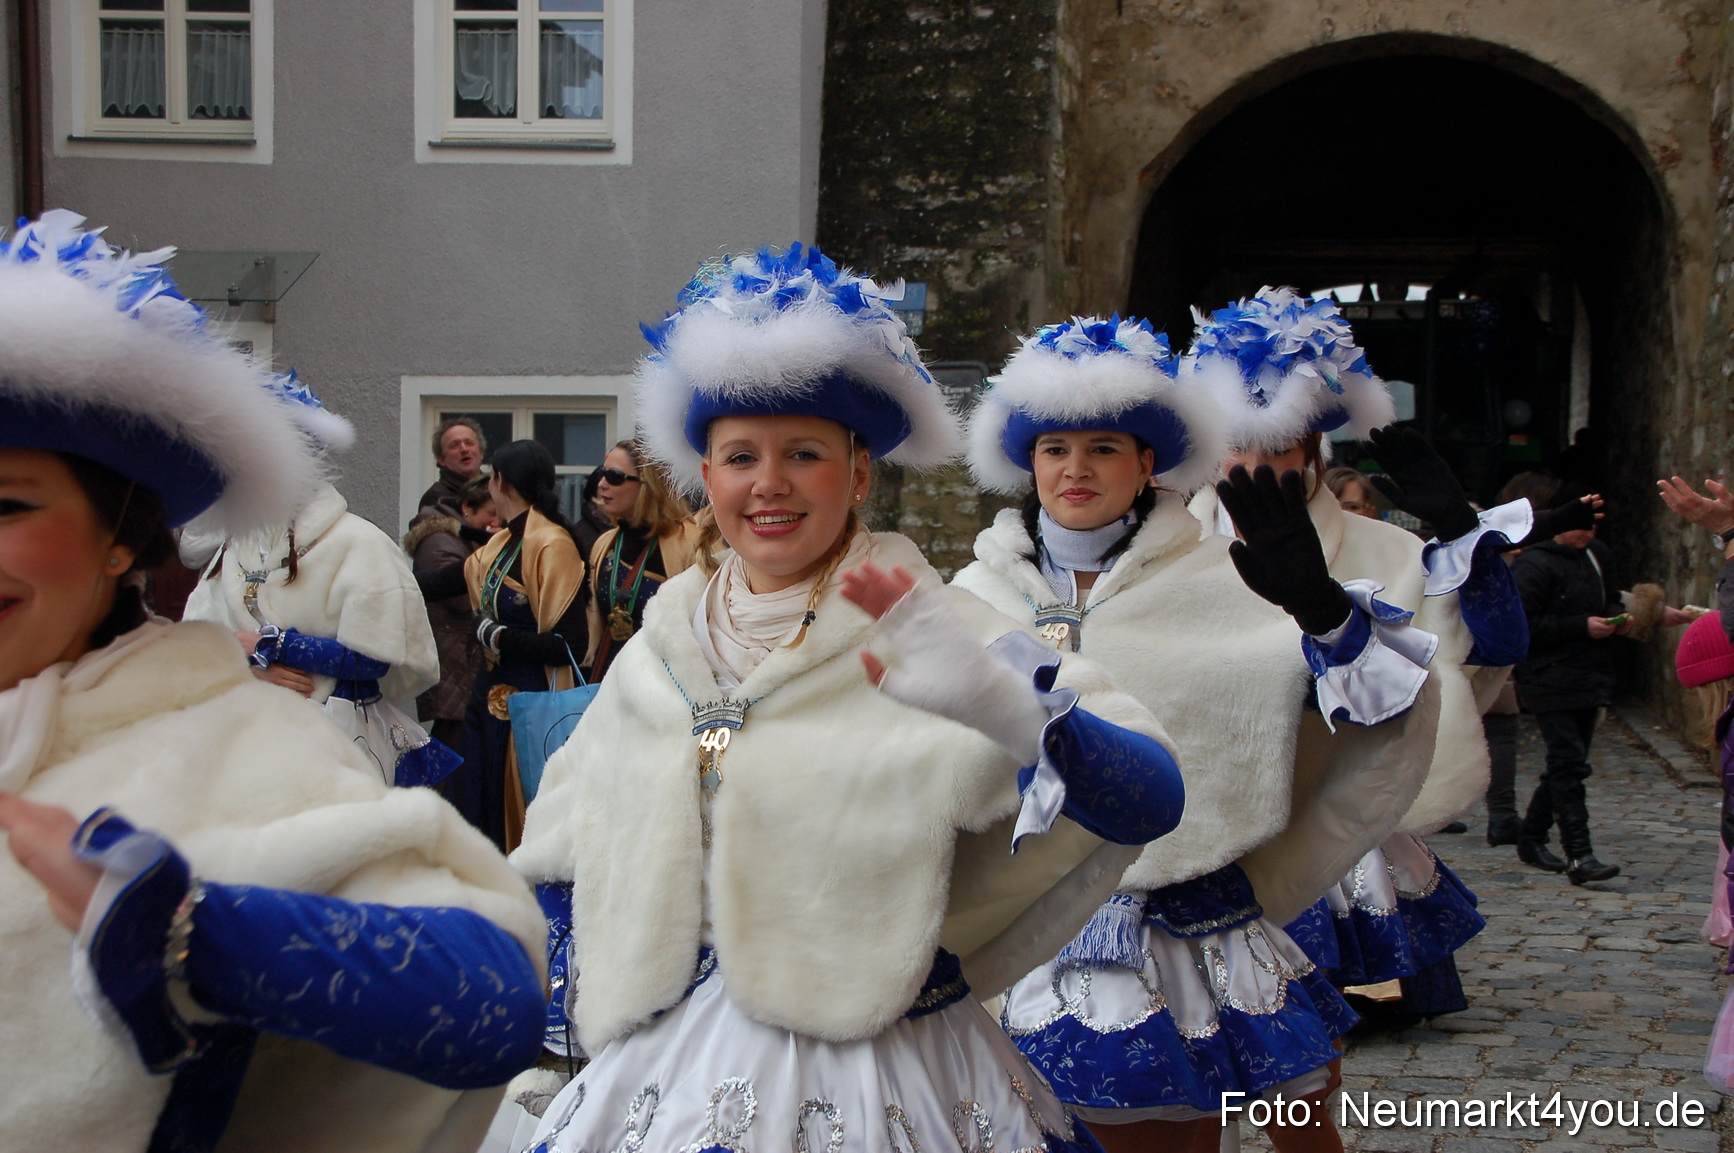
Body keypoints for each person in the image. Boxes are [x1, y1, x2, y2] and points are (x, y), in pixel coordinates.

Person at [511, 244, 1189, 1153]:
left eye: (804, 454)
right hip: (658, 1067)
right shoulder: (656, 657)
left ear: (859, 473)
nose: (769, 483)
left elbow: (1153, 797)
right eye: (739, 456)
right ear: (705, 478)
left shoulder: (936, 626)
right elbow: (564, 845)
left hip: (878, 1066)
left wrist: (1006, 709)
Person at [0, 210, 546, 1153]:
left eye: (7, 504)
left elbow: (488, 998)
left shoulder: (257, 714)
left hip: (339, 725)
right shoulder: (238, 560)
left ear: (120, 533)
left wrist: (183, 932)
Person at [952, 314, 1441, 1153]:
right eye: (1054, 447)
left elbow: (1379, 705)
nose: (1076, 468)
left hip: (1180, 926)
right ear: (1026, 463)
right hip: (1016, 925)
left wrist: (1321, 611)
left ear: (1148, 462)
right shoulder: (971, 592)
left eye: (1104, 447)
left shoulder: (1223, 578)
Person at [1187, 289, 1537, 1022]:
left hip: (1336, 811)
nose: (1252, 468)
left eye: (1276, 448)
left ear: (1314, 452)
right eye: (1236, 444)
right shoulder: (1166, 553)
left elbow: (1497, 648)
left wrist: (1461, 534)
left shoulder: (1389, 551)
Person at [184, 463, 454, 789]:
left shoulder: (360, 542)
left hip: (338, 743)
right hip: (246, 738)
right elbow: (198, 646)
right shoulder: (234, 550)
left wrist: (275, 646)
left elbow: (373, 657)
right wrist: (247, 669)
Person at [418, 440, 588, 852]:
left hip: (529, 704)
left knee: (518, 814)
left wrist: (496, 636)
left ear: (499, 482)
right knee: (478, 805)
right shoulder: (502, 544)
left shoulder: (551, 543)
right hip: (488, 699)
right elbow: (444, 583)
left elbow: (569, 643)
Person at [1508, 488, 1627, 883]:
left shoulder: (1596, 557)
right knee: (1569, 764)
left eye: (1591, 526)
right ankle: (1580, 853)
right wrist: (1580, 626)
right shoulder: (1534, 566)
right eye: (1579, 526)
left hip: (1589, 673)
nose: (1586, 534)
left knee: (1566, 764)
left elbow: (1610, 599)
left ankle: (1531, 835)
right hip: (1548, 676)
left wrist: (1614, 619)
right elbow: (1523, 627)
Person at [584, 439, 700, 679]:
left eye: (614, 476)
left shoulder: (692, 541)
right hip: (611, 683)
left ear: (648, 485)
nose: (602, 484)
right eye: (602, 474)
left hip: (668, 684)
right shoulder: (604, 544)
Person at [404, 476, 500, 749]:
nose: (496, 523)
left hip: (459, 661)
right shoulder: (439, 542)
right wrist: (491, 552)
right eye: (490, 514)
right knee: (453, 749)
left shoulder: (461, 538)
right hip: (454, 663)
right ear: (467, 508)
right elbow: (463, 600)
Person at [415, 416, 488, 524]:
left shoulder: (496, 490)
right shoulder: (436, 499)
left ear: (481, 452)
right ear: (441, 459)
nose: (464, 449)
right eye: (454, 446)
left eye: (469, 443)